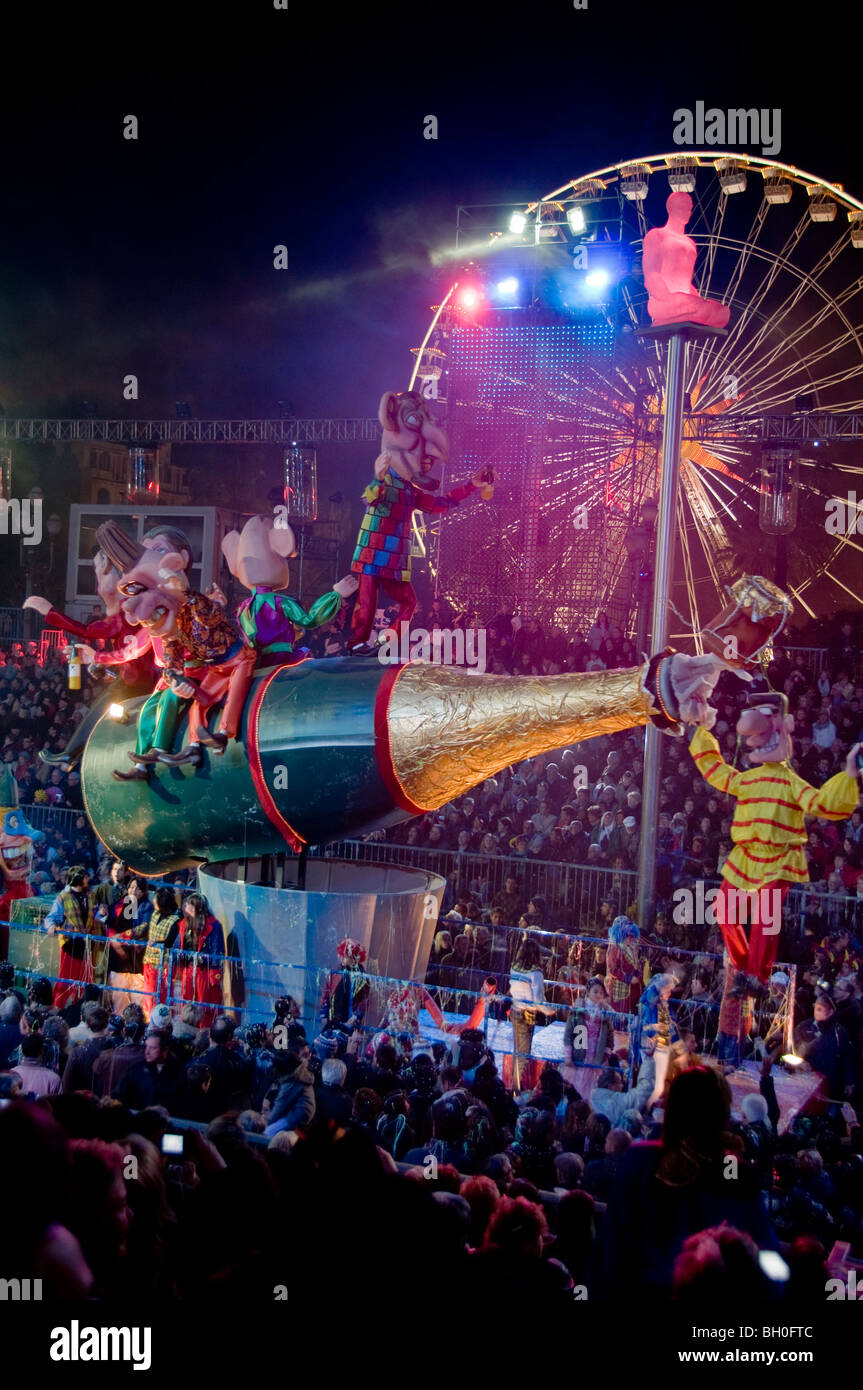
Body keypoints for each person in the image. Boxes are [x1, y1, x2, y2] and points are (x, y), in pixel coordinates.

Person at [44, 865, 105, 1009]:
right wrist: (51, 925)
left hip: (87, 945)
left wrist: (101, 913)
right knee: (65, 981)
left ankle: (80, 1010)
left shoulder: (91, 895)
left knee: (84, 982)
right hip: (70, 945)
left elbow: (95, 917)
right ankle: (57, 1008)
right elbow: (52, 917)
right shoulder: (63, 897)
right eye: (84, 877)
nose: (87, 879)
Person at [508, 935, 551, 1093]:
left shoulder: (514, 967)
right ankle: (515, 1089)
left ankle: (515, 1086)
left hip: (515, 1010)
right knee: (523, 1054)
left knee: (517, 1050)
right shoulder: (536, 973)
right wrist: (549, 1010)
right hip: (527, 1014)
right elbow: (538, 999)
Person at [175, 892, 225, 1026]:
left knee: (204, 1003)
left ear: (198, 907)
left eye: (190, 904)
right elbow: (177, 945)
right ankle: (186, 1027)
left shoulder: (214, 926)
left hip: (204, 971)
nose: (186, 906)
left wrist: (215, 976)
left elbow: (217, 952)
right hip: (188, 969)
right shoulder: (183, 924)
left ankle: (205, 1032)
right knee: (186, 1001)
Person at [105, 875, 152, 1013]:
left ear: (143, 891)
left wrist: (126, 936)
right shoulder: (124, 904)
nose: (133, 891)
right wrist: (117, 940)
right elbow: (116, 926)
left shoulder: (146, 906)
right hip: (120, 960)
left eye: (137, 888)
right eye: (131, 887)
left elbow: (144, 927)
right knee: (119, 995)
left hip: (137, 958)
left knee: (138, 994)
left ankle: (138, 1020)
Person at [142, 885, 181, 1014]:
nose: (153, 901)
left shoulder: (175, 920)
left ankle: (162, 1018)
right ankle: (149, 1017)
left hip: (162, 965)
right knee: (148, 993)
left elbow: (170, 941)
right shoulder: (154, 914)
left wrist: (157, 942)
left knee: (161, 993)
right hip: (148, 961)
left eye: (156, 899)